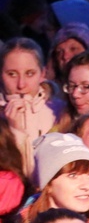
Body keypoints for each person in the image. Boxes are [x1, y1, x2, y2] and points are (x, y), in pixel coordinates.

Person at [1, 37, 69, 179]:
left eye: (30, 73)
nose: (21, 84)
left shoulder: (59, 112)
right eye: (12, 74)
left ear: (43, 73)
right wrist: (13, 130)